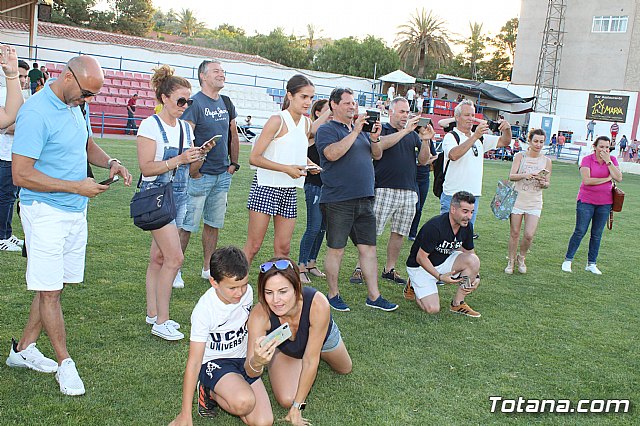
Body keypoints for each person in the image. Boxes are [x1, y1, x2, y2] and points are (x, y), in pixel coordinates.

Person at [7, 55, 132, 396]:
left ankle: (22, 351)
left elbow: (86, 143)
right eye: (85, 94)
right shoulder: (34, 112)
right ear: (67, 77)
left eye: (91, 96)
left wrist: (112, 162)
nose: (87, 101)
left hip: (75, 211)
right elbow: (22, 174)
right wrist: (76, 186)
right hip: (45, 212)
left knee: (54, 285)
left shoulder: (74, 104)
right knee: (49, 291)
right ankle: (66, 363)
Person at [169, 247, 273, 426]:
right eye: (232, 288)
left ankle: (234, 385)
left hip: (243, 359)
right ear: (214, 282)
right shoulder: (204, 311)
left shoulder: (246, 292)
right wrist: (185, 413)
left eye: (243, 285)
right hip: (216, 362)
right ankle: (208, 390)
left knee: (264, 422)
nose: (239, 293)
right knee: (244, 402)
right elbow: (194, 361)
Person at [315, 87, 398, 312]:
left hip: (364, 198)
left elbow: (377, 154)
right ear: (334, 105)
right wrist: (355, 132)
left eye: (354, 103)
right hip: (338, 199)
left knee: (369, 249)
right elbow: (331, 154)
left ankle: (374, 296)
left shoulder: (362, 131)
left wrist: (373, 138)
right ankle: (333, 294)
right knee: (337, 249)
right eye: (347, 103)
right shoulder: (327, 130)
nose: (353, 106)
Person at [136, 65, 203, 340]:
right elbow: (146, 168)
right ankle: (161, 320)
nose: (185, 105)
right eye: (180, 100)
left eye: (188, 101)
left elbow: (193, 171)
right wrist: (179, 160)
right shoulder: (150, 125)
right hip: (157, 195)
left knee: (159, 257)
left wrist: (200, 155)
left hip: (180, 194)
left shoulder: (186, 128)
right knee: (174, 258)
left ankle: (153, 313)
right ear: (164, 98)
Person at [246, 258, 352, 426]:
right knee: (288, 399)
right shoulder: (259, 315)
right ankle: (287, 357)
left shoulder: (317, 303)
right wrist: (257, 362)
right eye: (269, 292)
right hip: (287, 347)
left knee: (345, 368)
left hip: (323, 338)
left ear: (296, 288)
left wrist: (298, 407)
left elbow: (311, 361)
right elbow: (251, 372)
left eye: (283, 291)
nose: (276, 300)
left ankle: (312, 348)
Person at [350, 97, 432, 286]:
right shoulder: (382, 129)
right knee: (371, 232)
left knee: (399, 232)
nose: (406, 115)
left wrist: (425, 141)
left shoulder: (412, 134)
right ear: (391, 112)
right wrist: (405, 131)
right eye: (402, 111)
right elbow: (378, 147)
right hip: (384, 188)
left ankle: (389, 269)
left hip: (409, 190)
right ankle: (359, 267)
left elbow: (423, 161)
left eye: (408, 111)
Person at [244, 75, 319, 266]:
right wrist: (286, 169)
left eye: (311, 97)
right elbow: (254, 158)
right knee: (253, 246)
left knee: (284, 249)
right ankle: (233, 285)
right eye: (304, 97)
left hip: (289, 189)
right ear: (290, 95)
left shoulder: (307, 123)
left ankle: (279, 291)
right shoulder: (277, 120)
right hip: (265, 187)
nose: (308, 102)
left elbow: (296, 154)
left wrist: (310, 165)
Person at [179, 59, 241, 284]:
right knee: (187, 225)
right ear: (203, 76)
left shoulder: (226, 101)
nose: (222, 74)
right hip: (199, 175)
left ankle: (208, 268)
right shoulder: (194, 103)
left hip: (222, 174)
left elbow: (233, 133)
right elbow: (186, 138)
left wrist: (233, 164)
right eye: (216, 71)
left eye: (223, 71)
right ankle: (176, 268)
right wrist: (194, 169)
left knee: (213, 224)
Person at [404, 191, 482, 317]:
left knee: (473, 260)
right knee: (432, 309)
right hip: (420, 267)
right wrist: (440, 277)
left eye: (471, 212)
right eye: (465, 211)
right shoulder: (435, 226)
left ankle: (457, 304)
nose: (469, 216)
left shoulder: (467, 226)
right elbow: (420, 257)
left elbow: (469, 252)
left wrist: (476, 276)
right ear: (453, 209)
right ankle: (413, 282)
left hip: (444, 261)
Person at [440, 100, 512, 232]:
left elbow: (505, 141)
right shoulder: (451, 136)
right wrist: (475, 136)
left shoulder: (480, 139)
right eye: (467, 115)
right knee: (446, 234)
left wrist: (507, 129)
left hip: (473, 195)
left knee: (465, 235)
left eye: (473, 115)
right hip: (453, 194)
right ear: (457, 117)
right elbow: (454, 155)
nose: (471, 119)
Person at [561, 136, 622, 275]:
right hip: (586, 201)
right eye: (601, 147)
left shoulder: (611, 160)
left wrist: (608, 162)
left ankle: (591, 263)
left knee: (597, 234)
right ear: (595, 147)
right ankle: (568, 260)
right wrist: (607, 178)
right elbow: (587, 180)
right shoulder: (587, 160)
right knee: (580, 231)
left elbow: (618, 177)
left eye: (607, 147)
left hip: (605, 203)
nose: (604, 150)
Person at [505, 129, 552, 274]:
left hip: (535, 201)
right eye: (536, 141)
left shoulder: (547, 161)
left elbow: (547, 183)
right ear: (530, 141)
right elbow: (511, 176)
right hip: (518, 199)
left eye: (541, 142)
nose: (538, 145)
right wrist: (526, 175)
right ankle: (511, 260)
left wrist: (543, 183)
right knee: (514, 232)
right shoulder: (520, 156)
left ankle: (522, 257)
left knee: (529, 234)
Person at [298, 99, 331, 283]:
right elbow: (309, 132)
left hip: (328, 187)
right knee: (313, 227)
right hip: (313, 184)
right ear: (318, 113)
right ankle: (301, 265)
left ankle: (311, 263)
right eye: (327, 110)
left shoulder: (329, 132)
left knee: (322, 228)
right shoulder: (312, 133)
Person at [0, 56, 29, 252]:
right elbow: (7, 126)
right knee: (6, 196)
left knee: (10, 195)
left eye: (24, 76)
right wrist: (27, 128)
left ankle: (7, 234)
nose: (22, 79)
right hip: (5, 153)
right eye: (18, 75)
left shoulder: (21, 95)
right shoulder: (4, 93)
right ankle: (3, 236)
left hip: (14, 153)